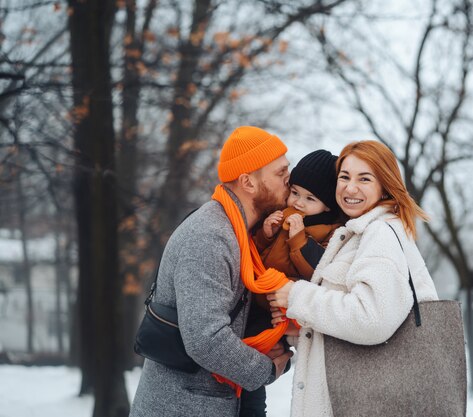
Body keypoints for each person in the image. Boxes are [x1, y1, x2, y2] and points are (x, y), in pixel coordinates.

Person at [130, 126, 294, 417]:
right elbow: (206, 339)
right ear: (249, 182)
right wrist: (267, 369)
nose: (289, 181)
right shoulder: (210, 236)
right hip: (184, 407)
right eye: (281, 173)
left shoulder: (243, 235)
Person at [268, 140, 439, 417]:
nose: (350, 187)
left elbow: (371, 318)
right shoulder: (358, 234)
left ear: (384, 185)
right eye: (344, 177)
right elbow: (354, 329)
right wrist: (303, 330)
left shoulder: (380, 233)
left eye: (364, 179)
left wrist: (297, 295)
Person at [240, 149, 343, 417]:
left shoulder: (328, 233)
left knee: (264, 351)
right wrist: (266, 233)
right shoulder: (280, 213)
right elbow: (256, 254)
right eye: (295, 192)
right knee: (246, 346)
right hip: (259, 296)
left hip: (284, 307)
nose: (298, 202)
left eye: (310, 199)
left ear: (328, 206)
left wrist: (299, 239)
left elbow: (317, 271)